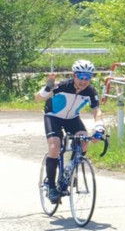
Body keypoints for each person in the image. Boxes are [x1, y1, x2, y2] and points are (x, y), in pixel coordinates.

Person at [35, 59, 105, 204]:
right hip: (53, 117)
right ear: (74, 75)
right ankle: (52, 187)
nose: (84, 81)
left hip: (72, 118)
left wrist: (99, 128)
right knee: (54, 147)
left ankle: (69, 171)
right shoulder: (62, 86)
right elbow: (37, 98)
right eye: (81, 76)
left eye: (88, 77)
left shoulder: (90, 92)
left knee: (84, 142)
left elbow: (97, 111)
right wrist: (47, 88)